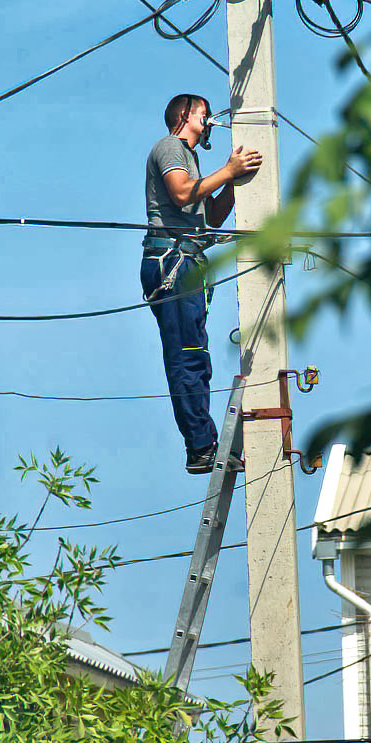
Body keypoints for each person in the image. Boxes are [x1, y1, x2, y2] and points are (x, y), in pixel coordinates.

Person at [141, 93, 262, 474]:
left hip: (187, 261)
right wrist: (226, 172)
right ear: (183, 116)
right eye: (203, 115)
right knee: (186, 355)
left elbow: (207, 216)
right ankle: (200, 447)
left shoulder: (191, 160)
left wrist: (230, 183)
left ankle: (204, 442)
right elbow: (179, 193)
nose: (209, 121)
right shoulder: (170, 148)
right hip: (171, 261)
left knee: (196, 355)